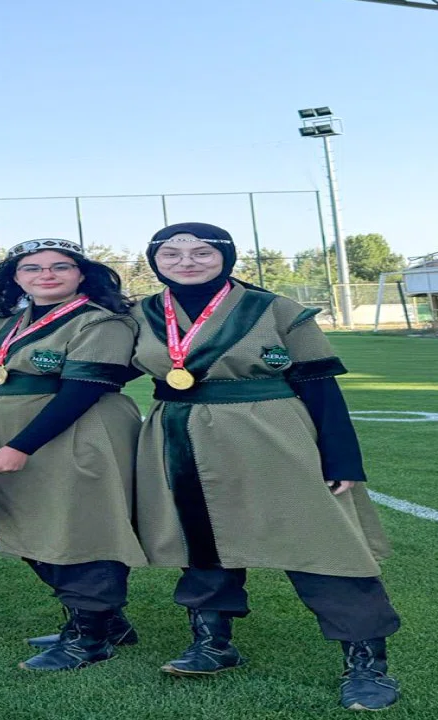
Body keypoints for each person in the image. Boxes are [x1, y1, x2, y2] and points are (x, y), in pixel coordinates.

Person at [130, 222, 401, 712]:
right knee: (201, 541)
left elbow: (319, 384)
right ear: (155, 261)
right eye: (171, 253)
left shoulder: (276, 309)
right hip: (180, 437)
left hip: (274, 436)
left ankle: (366, 663)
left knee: (322, 543)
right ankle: (213, 643)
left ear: (226, 256)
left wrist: (341, 457)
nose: (186, 261)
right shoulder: (140, 314)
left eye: (201, 252)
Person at [0, 239, 146, 671]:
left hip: (81, 430)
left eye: (60, 266)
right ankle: (107, 622)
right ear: (15, 278)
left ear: (81, 274)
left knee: (83, 526)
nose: (46, 275)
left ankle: (89, 639)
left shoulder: (102, 321)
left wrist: (21, 447)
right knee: (33, 524)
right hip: (16, 430)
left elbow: (83, 389)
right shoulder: (9, 320)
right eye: (32, 268)